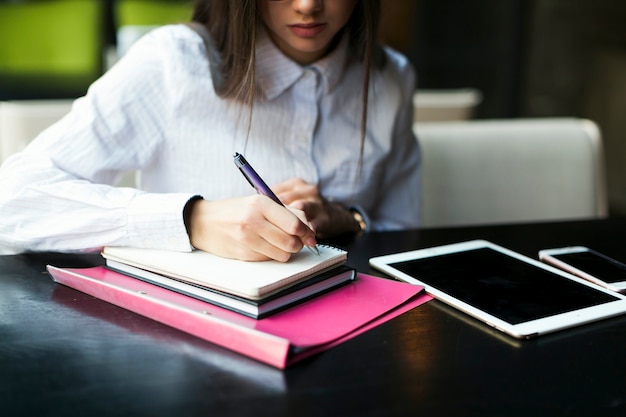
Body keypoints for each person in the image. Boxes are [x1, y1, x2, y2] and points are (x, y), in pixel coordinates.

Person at [0, 0, 421, 261]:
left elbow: (407, 234)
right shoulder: (171, 63)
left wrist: (347, 218)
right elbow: (11, 200)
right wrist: (192, 219)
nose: (307, 5)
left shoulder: (392, 80)